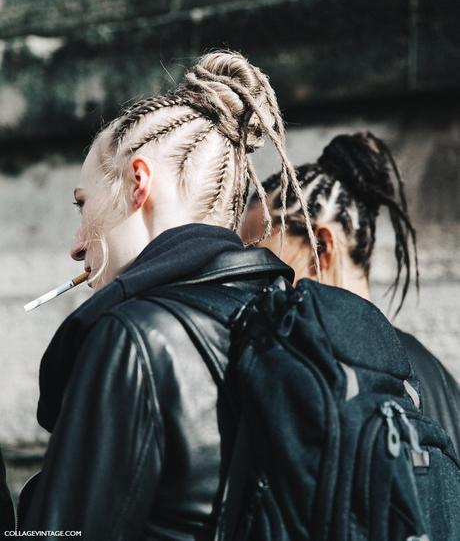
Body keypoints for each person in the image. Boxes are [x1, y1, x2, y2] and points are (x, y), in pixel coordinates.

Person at [18, 51, 315, 539]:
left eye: (82, 204)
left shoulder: (133, 339)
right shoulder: (297, 324)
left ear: (139, 183)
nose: (75, 246)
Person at [241, 131, 460, 456]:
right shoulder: (437, 376)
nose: (254, 286)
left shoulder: (309, 372)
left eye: (266, 263)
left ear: (323, 247)